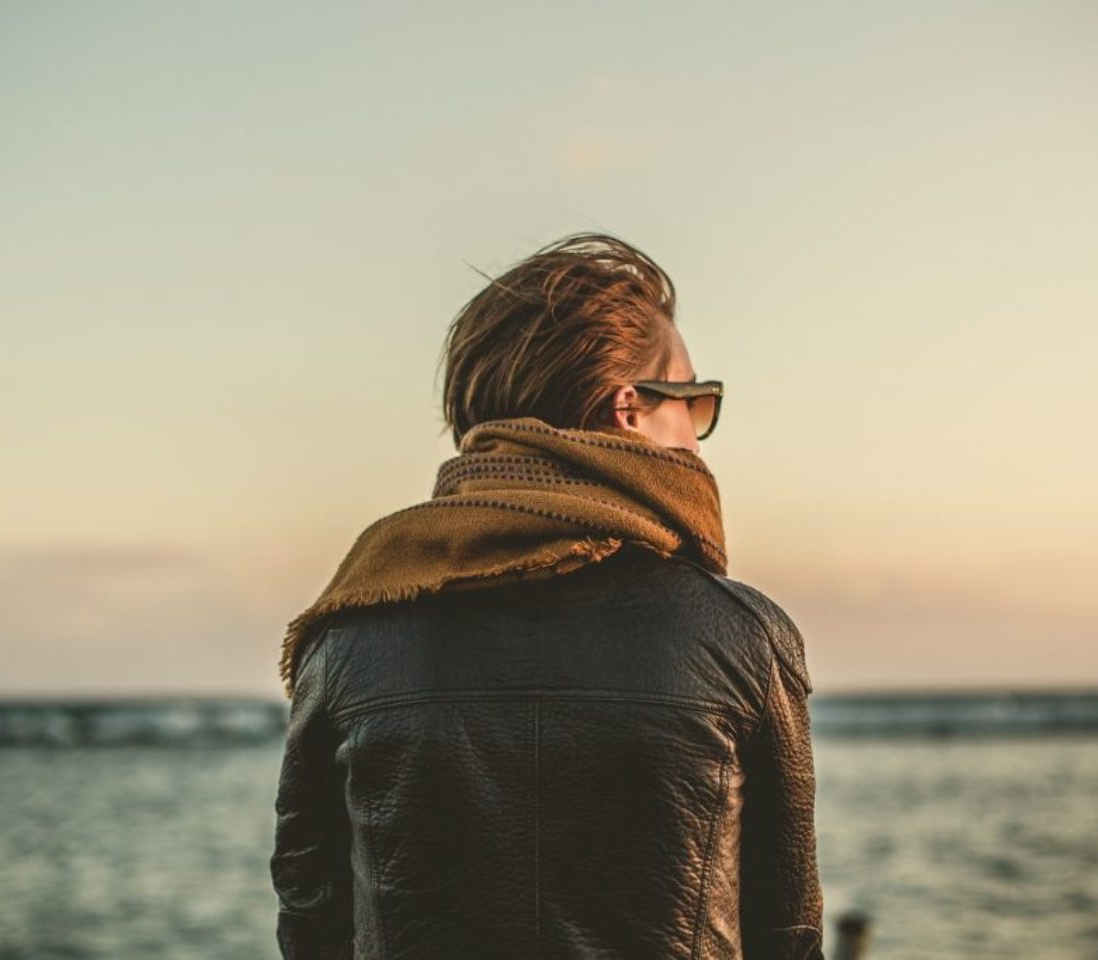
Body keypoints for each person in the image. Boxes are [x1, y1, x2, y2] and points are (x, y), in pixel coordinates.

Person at [269, 232, 825, 959]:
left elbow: (311, 920)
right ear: (631, 409)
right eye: (694, 403)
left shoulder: (343, 641)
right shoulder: (743, 637)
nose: (698, 438)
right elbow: (788, 938)